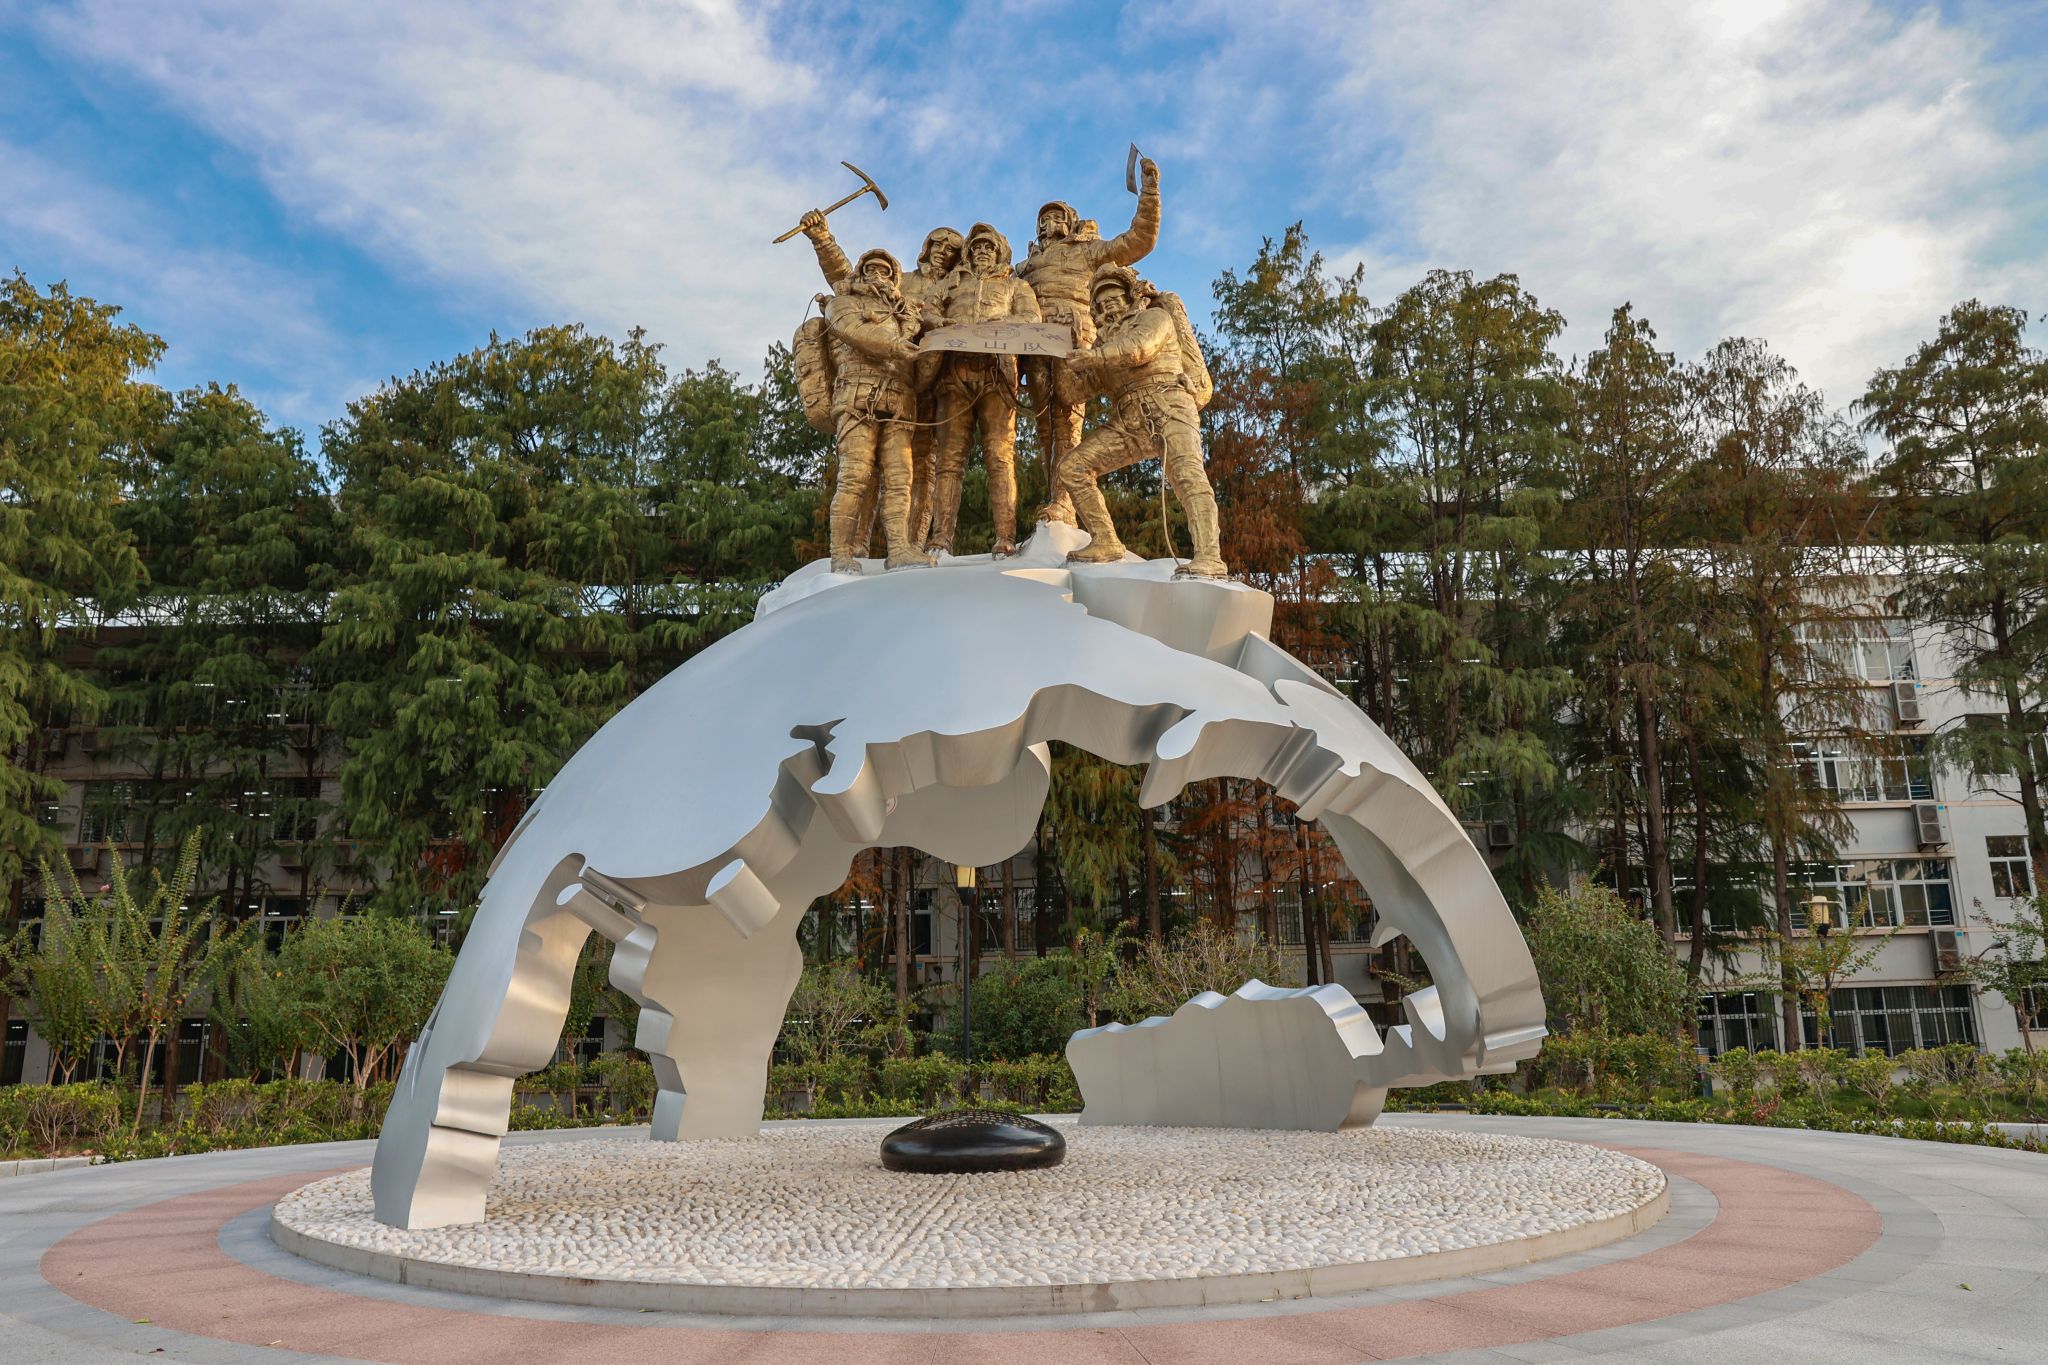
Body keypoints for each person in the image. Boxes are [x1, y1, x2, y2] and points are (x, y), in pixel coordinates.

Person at [799, 213, 961, 547]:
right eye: (937, 245)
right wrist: (823, 239)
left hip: (912, 392)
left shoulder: (929, 301)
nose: (943, 253)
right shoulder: (860, 298)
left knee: (908, 474)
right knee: (859, 473)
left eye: (951, 249)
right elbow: (844, 284)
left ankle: (905, 548)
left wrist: (931, 349)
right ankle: (850, 548)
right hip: (861, 392)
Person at [1015, 157, 1160, 526]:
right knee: (1045, 426)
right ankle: (1057, 499)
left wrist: (1150, 193)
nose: (1049, 223)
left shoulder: (1087, 249)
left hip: (1075, 338)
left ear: (1070, 222)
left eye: (1056, 216)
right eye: (1043, 219)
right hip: (1034, 345)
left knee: (1068, 419)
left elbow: (1138, 240)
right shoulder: (1024, 267)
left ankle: (1064, 503)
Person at [1058, 263, 1226, 579]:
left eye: (1113, 299)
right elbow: (1073, 393)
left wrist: (1093, 356)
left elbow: (1139, 348)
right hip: (1129, 421)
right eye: (1101, 303)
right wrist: (1062, 354)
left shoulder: (1154, 318)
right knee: (1072, 467)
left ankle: (1209, 557)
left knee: (1188, 477)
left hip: (1169, 405)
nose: (1108, 307)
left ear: (1129, 297)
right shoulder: (1101, 344)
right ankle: (1106, 540)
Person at [924, 223, 1040, 557]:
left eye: (989, 247)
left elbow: (1031, 318)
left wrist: (1003, 325)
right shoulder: (952, 283)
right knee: (949, 460)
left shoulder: (1015, 286)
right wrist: (940, 322)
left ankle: (1005, 536)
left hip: (997, 375)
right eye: (976, 247)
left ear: (1000, 251)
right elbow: (929, 310)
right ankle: (940, 538)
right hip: (954, 376)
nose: (982, 252)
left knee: (1000, 456)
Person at [822, 249, 932, 573]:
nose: (878, 276)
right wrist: (895, 346)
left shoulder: (907, 315)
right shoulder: (843, 303)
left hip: (899, 404)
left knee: (900, 480)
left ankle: (899, 549)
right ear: (860, 273)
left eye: (886, 272)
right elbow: (853, 332)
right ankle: (841, 553)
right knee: (854, 478)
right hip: (858, 399)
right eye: (871, 269)